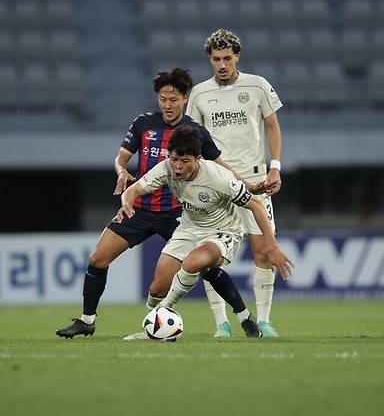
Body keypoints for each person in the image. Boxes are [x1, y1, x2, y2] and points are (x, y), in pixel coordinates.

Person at [56, 68, 256, 339]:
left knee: (207, 268)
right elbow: (121, 158)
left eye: (173, 99)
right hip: (138, 209)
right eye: (162, 99)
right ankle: (87, 321)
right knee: (98, 258)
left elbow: (221, 168)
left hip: (177, 214)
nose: (167, 105)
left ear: (185, 99)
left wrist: (250, 186)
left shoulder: (195, 133)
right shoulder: (143, 124)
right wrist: (121, 172)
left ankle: (244, 317)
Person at [118, 125, 293, 339]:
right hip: (189, 227)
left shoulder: (219, 178)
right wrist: (126, 201)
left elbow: (256, 206)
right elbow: (133, 190)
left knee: (193, 262)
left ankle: (157, 323)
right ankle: (241, 316)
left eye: (185, 161)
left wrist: (271, 246)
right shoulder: (166, 168)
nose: (178, 167)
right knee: (157, 287)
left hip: (223, 230)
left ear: (198, 158)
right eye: (174, 159)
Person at [186, 28, 286, 338]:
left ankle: (265, 322)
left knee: (265, 251)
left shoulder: (257, 86)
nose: (222, 65)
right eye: (216, 59)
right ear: (209, 59)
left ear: (237, 56)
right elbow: (193, 139)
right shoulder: (199, 94)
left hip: (256, 180)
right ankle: (221, 324)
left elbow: (272, 126)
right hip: (216, 186)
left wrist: (275, 166)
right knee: (209, 256)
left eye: (227, 58)